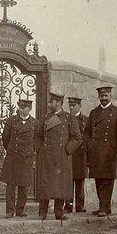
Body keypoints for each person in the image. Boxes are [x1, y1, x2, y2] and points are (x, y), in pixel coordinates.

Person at [34, 92, 82, 220]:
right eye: (50, 101)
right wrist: (40, 150)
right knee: (45, 185)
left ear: (59, 103)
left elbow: (77, 138)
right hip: (46, 157)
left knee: (60, 185)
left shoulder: (69, 118)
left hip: (62, 157)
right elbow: (37, 136)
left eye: (52, 101)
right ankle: (42, 212)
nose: (50, 103)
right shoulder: (45, 118)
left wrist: (66, 150)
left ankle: (59, 212)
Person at [84, 86, 117, 217]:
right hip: (96, 151)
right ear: (98, 97)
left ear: (110, 96)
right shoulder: (94, 112)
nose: (104, 98)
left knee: (107, 180)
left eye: (106, 96)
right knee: (98, 179)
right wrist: (89, 144)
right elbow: (87, 131)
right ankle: (103, 206)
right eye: (101, 96)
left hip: (110, 152)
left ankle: (104, 207)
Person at [0, 99, 36, 218]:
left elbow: (37, 141)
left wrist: (31, 152)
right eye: (20, 107)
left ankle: (20, 210)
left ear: (29, 109)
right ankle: (9, 211)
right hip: (13, 157)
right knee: (10, 185)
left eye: (24, 108)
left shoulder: (34, 123)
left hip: (26, 158)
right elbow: (5, 138)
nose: (21, 110)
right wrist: (11, 150)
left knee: (24, 186)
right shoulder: (11, 120)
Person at [65, 96, 88, 213]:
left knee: (80, 181)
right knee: (68, 181)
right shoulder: (65, 119)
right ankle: (68, 206)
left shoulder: (85, 120)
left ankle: (80, 205)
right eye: (70, 105)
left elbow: (88, 139)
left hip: (81, 155)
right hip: (68, 154)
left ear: (80, 106)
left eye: (73, 105)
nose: (71, 107)